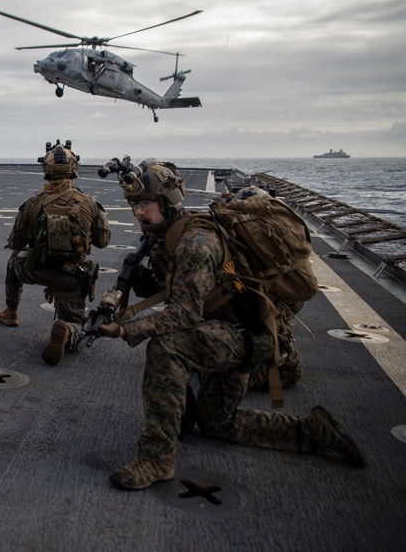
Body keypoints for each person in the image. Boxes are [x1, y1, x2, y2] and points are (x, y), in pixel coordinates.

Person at [96, 159, 364, 490]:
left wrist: (126, 329)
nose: (138, 212)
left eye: (146, 204)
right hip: (231, 327)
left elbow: (184, 314)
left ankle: (156, 460)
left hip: (249, 335)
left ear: (168, 202)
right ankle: (309, 431)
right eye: (134, 205)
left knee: (167, 348)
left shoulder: (195, 244)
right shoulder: (163, 235)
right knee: (215, 423)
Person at [0, 140, 111, 365]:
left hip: (36, 269)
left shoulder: (32, 203)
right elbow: (103, 241)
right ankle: (67, 330)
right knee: (78, 324)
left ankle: (11, 312)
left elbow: (16, 242)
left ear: (46, 171)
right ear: (74, 169)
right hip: (70, 277)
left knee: (13, 261)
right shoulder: (90, 203)